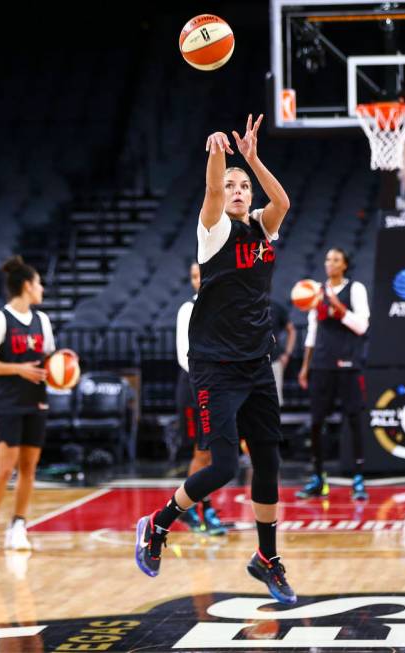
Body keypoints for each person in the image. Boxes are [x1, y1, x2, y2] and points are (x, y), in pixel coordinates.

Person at [134, 114, 297, 604]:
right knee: (223, 466)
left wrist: (251, 158)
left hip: (256, 363)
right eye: (231, 186)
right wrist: (219, 158)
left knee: (268, 463)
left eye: (243, 185)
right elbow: (210, 193)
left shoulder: (264, 229)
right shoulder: (213, 231)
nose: (237, 190)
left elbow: (283, 201)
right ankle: (158, 524)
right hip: (216, 367)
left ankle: (266, 558)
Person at [0, 256, 56, 552]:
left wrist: (64, 370)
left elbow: (49, 361)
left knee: (29, 468)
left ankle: (18, 524)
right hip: (8, 402)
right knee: (4, 468)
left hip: (36, 402)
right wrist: (19, 369)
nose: (42, 288)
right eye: (38, 283)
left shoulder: (42, 321)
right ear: (26, 286)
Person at [297, 248, 370, 501]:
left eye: (336, 259)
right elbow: (312, 332)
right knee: (317, 422)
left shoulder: (356, 289)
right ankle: (319, 478)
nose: (330, 263)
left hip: (349, 363)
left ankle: (358, 478)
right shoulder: (316, 292)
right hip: (321, 363)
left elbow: (362, 326)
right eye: (328, 259)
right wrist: (305, 366)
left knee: (354, 419)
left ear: (345, 265)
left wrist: (340, 309)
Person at [175, 261, 227, 536]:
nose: (198, 280)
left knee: (211, 454)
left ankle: (197, 506)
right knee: (202, 452)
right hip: (194, 387)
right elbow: (184, 354)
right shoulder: (188, 309)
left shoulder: (219, 306)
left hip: (214, 387)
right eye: (193, 276)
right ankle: (199, 509)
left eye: (201, 274)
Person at [269, 299, 296, 406]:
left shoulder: (274, 307)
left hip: (273, 360)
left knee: (274, 401)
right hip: (248, 362)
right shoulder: (244, 306)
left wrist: (287, 354)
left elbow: (291, 330)